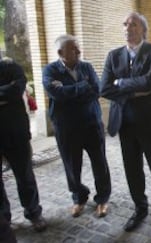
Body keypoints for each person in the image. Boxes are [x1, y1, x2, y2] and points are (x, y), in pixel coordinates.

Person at [100, 12, 151, 239]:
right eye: (125, 24)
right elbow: (104, 88)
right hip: (125, 125)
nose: (127, 27)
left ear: (143, 29)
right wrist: (137, 89)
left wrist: (120, 83)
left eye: (132, 24)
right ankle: (140, 209)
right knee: (133, 172)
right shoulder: (113, 56)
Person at [42, 34, 111, 218]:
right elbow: (56, 94)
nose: (79, 51)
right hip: (67, 128)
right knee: (72, 166)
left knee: (100, 163)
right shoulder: (50, 70)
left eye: (78, 47)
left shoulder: (86, 66)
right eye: (73, 48)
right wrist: (82, 87)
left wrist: (68, 90)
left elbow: (97, 89)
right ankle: (79, 197)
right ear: (60, 52)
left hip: (91, 124)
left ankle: (103, 198)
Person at [0, 57, 47, 232]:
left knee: (25, 176)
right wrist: (6, 92)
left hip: (16, 133)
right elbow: (9, 91)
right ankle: (4, 219)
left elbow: (17, 89)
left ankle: (34, 213)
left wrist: (10, 92)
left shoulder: (11, 67)